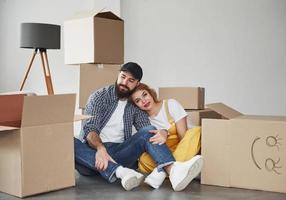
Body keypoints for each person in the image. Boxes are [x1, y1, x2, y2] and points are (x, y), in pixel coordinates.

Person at [74, 62, 203, 191]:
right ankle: (121, 172)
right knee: (69, 141)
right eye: (123, 76)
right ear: (118, 75)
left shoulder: (134, 105)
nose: (125, 82)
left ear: (137, 83)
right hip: (92, 156)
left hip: (120, 152)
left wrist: (164, 131)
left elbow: (148, 129)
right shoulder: (99, 97)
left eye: (131, 80)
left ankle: (172, 171)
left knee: (148, 131)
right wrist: (100, 149)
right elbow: (90, 129)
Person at [130, 83, 201, 189]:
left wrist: (165, 133)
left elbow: (183, 137)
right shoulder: (142, 122)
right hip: (165, 153)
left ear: (151, 93)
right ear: (136, 106)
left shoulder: (170, 104)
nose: (143, 101)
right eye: (138, 100)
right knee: (143, 160)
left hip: (186, 146)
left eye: (145, 95)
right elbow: (152, 147)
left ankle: (162, 171)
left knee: (195, 131)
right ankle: (177, 170)